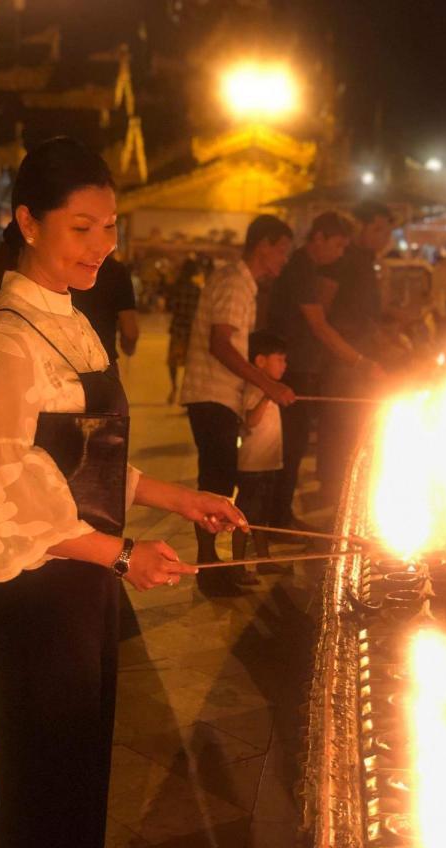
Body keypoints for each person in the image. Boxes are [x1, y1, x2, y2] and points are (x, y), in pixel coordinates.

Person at [0, 136, 245, 848]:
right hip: (32, 601)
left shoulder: (71, 321)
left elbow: (84, 464)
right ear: (26, 221)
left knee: (80, 786)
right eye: (81, 227)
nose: (100, 245)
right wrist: (120, 555)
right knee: (40, 800)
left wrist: (183, 500)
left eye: (110, 226)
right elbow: (2, 491)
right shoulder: (7, 340)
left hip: (79, 591)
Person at [181, 214, 295, 596]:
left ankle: (213, 565)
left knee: (218, 480)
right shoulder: (235, 282)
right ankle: (209, 568)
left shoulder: (243, 284)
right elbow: (221, 343)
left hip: (219, 396)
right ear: (263, 246)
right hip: (211, 394)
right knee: (214, 482)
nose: (283, 260)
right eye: (281, 251)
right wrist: (267, 384)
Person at [267, 211, 353, 531]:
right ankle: (279, 519)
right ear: (318, 238)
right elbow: (317, 324)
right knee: (290, 446)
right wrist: (357, 361)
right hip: (293, 368)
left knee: (295, 444)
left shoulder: (309, 268)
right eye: (338, 245)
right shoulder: (301, 268)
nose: (340, 253)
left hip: (300, 366)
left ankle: (281, 514)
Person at [312, 200, 392, 506]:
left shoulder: (368, 261)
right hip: (343, 359)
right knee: (339, 424)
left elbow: (370, 311)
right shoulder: (341, 261)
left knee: (357, 422)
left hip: (363, 357)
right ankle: (333, 489)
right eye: (378, 228)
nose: (384, 236)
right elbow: (323, 308)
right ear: (359, 227)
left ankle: (351, 487)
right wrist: (346, 346)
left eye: (387, 230)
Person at [232, 330, 290, 583]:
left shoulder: (271, 389)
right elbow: (251, 421)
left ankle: (264, 561)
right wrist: (268, 395)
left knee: (262, 517)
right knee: (244, 517)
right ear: (260, 361)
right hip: (252, 466)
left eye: (285, 360)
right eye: (279, 359)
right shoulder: (255, 387)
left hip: (268, 464)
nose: (284, 365)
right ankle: (238, 565)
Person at [71, 254, 139, 367]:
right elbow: (130, 332)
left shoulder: (59, 266)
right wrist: (129, 349)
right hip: (102, 364)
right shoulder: (116, 271)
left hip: (59, 364)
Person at [166, 257, 203, 403]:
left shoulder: (176, 288)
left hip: (177, 329)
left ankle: (174, 387)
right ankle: (186, 393)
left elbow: (171, 307)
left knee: (173, 362)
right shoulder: (197, 290)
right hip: (191, 331)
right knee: (190, 364)